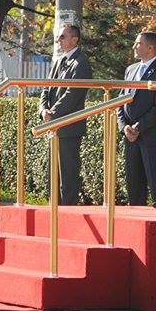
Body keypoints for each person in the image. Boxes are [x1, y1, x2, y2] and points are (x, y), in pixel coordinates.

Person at [38, 24, 93, 206]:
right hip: (53, 126)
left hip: (69, 127)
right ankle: (54, 208)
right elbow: (46, 88)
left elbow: (73, 93)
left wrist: (53, 113)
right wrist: (43, 110)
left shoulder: (81, 62)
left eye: (62, 37)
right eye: (58, 37)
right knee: (53, 174)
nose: (58, 40)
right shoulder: (59, 61)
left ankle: (67, 210)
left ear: (74, 39)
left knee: (68, 174)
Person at [117, 31, 156, 206]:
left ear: (151, 47)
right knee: (133, 184)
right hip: (130, 136)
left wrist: (139, 126)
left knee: (155, 181)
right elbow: (121, 100)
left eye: (138, 43)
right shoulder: (131, 69)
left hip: (150, 134)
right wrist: (124, 126)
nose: (134, 46)